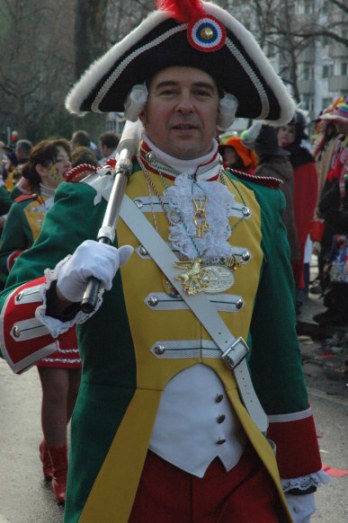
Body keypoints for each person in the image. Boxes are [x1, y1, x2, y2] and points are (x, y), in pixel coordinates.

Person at [0, 1, 327, 522]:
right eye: (167, 91)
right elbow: (7, 329)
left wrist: (298, 474)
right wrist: (60, 291)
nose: (185, 106)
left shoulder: (260, 203)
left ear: (221, 110)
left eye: (202, 93)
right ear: (139, 105)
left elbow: (277, 349)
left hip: (240, 482)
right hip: (127, 474)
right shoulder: (91, 199)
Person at [0, 138, 81, 505]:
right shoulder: (23, 210)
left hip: (81, 310)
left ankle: (51, 445)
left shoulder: (82, 202)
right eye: (58, 161)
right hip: (43, 307)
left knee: (77, 391)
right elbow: (7, 255)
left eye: (67, 159)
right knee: (57, 389)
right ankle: (62, 472)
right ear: (42, 168)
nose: (66, 166)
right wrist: (27, 263)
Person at [278, 110, 319, 313]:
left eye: (290, 130)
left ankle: (296, 298)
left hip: (293, 223)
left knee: (296, 255)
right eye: (282, 129)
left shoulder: (303, 161)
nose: (285, 134)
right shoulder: (271, 155)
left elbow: (304, 203)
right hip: (279, 219)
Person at [313, 99, 348, 326]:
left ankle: (340, 312)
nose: (337, 126)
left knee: (341, 270)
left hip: (343, 217)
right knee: (335, 267)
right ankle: (335, 307)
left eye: (340, 122)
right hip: (338, 216)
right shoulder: (340, 145)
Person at [244, 124, 299, 262]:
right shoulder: (284, 166)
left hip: (271, 238)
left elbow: (262, 210)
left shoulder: (265, 172)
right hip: (286, 235)